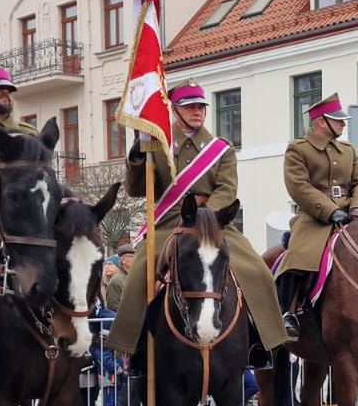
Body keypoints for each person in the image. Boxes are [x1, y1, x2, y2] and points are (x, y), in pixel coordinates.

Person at [105, 81, 288, 361]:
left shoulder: (221, 149)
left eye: (201, 107)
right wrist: (139, 155)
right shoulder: (158, 145)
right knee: (140, 271)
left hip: (213, 222)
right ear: (175, 110)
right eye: (190, 106)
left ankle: (262, 341)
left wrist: (206, 216)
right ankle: (135, 349)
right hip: (170, 221)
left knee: (256, 270)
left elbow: (227, 189)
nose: (197, 112)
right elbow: (137, 189)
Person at [275, 93, 358, 338]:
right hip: (314, 217)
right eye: (337, 120)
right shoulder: (298, 149)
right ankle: (288, 312)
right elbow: (298, 186)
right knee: (300, 255)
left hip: (350, 214)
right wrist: (329, 211)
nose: (343, 124)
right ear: (320, 121)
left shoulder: (348, 151)